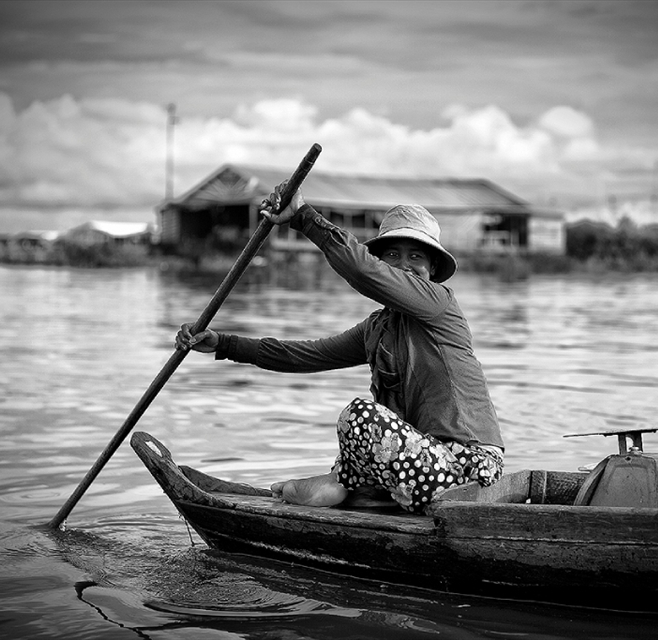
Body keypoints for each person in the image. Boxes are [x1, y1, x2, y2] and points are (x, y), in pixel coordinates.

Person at [175, 182, 504, 513]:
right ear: (382, 262)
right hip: (418, 463)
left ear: (432, 269)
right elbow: (305, 355)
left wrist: (303, 217)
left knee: (360, 416)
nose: (404, 265)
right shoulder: (377, 328)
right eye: (392, 255)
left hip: (467, 470)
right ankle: (352, 488)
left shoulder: (440, 305)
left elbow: (360, 269)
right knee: (357, 448)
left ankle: (340, 485)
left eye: (416, 256)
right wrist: (225, 344)